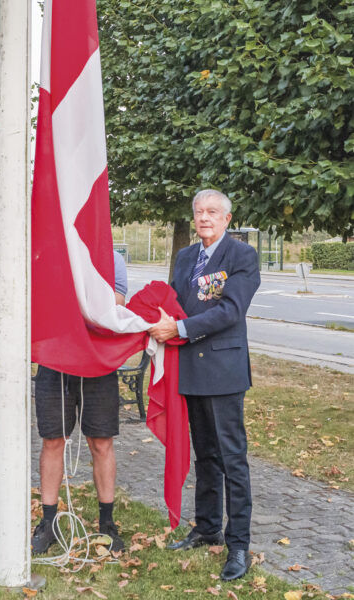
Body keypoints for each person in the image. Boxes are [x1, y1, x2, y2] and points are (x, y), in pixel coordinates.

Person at [148, 189, 260, 581]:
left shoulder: (241, 257)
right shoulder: (184, 257)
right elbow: (173, 301)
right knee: (206, 456)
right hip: (190, 371)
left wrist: (178, 328)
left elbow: (231, 310)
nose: (204, 218)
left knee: (232, 459)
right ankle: (207, 526)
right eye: (199, 212)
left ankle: (239, 543)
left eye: (212, 212)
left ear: (227, 219)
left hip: (224, 371)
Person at [31, 250, 128, 555]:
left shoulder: (112, 259)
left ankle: (107, 522)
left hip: (97, 364)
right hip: (54, 361)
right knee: (52, 440)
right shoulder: (53, 254)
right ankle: (48, 523)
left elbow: (114, 307)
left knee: (101, 442)